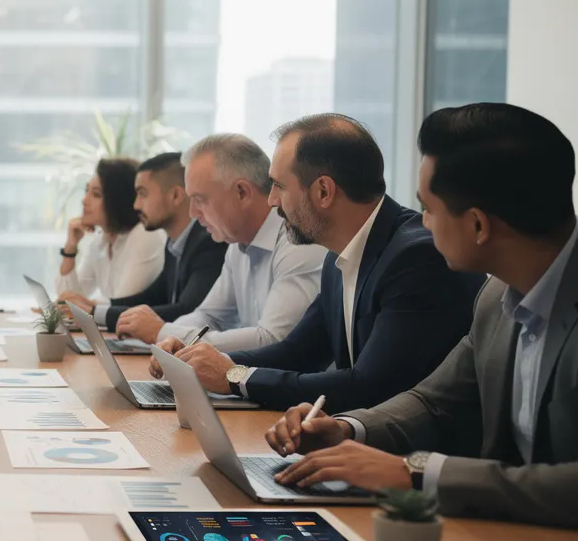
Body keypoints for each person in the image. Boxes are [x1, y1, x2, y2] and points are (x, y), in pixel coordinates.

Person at [267, 103, 578, 529]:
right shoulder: (497, 296)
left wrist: (415, 472)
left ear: (478, 226)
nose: (424, 224)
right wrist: (348, 429)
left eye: (429, 208)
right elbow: (434, 402)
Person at [157, 114, 483, 412]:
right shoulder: (338, 256)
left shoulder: (415, 258)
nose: (271, 201)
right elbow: (297, 352)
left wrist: (233, 376)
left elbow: (368, 387)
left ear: (323, 191)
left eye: (279, 187)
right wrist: (201, 361)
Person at [123, 133, 325, 350]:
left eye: (200, 200)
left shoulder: (298, 241)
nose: (193, 212)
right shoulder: (237, 244)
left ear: (242, 192)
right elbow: (210, 317)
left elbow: (272, 340)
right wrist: (169, 342)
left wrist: (163, 332)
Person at [95, 151, 226, 332]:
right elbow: (154, 296)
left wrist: (101, 314)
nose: (136, 205)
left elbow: (187, 310)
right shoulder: (175, 242)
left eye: (143, 194)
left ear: (175, 196)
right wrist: (97, 310)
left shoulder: (209, 243)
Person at [52, 157, 165, 314]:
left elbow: (124, 303)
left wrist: (83, 305)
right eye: (86, 191)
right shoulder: (100, 242)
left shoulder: (145, 236)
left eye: (96, 195)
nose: (84, 200)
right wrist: (70, 248)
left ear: (119, 200)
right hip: (116, 332)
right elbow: (68, 298)